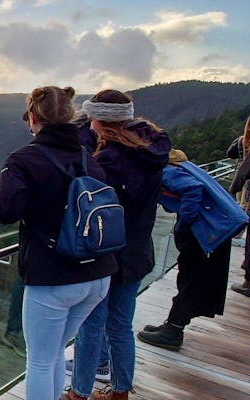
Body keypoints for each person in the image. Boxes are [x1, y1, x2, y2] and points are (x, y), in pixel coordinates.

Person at [0, 86, 116, 400]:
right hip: (98, 275)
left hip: (54, 276)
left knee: (39, 359)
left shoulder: (24, 159)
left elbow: (6, 212)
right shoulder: (89, 157)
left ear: (33, 118)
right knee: (56, 350)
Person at [67, 89, 171, 400]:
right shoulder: (151, 151)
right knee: (121, 326)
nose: (90, 126)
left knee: (90, 328)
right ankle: (120, 391)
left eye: (92, 119)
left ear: (101, 121)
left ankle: (78, 393)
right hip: (138, 251)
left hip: (107, 255)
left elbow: (88, 204)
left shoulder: (110, 160)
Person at [137, 149, 242, 349]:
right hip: (214, 227)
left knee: (191, 277)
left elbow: (192, 189)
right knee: (192, 276)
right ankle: (173, 324)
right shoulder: (178, 163)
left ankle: (173, 331)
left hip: (204, 230)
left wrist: (184, 223)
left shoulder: (165, 170)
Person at [229, 115, 250, 296]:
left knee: (241, 208)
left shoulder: (243, 141)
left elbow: (230, 154)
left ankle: (248, 282)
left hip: (245, 187)